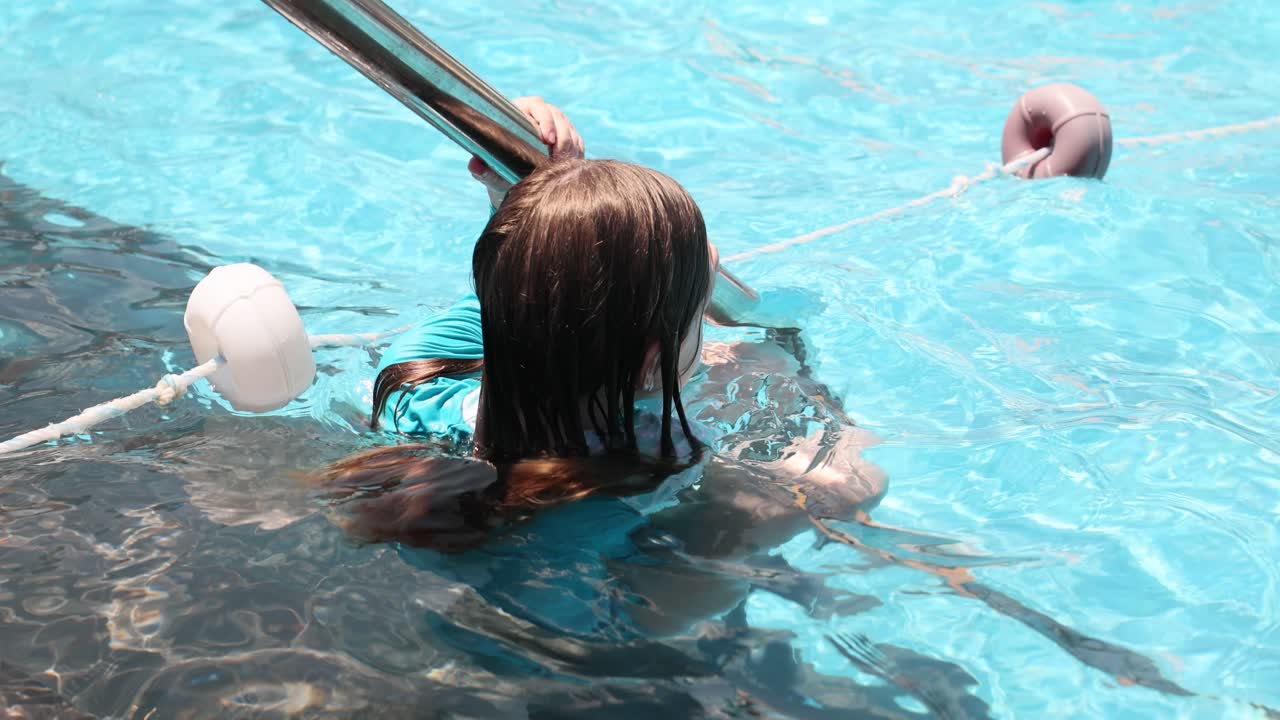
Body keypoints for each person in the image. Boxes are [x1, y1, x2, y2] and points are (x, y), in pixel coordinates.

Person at [316, 97, 884, 558]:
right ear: (648, 360)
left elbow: (512, 287)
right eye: (696, 314)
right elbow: (647, 619)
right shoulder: (649, 481)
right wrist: (810, 484)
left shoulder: (413, 380)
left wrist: (524, 188)